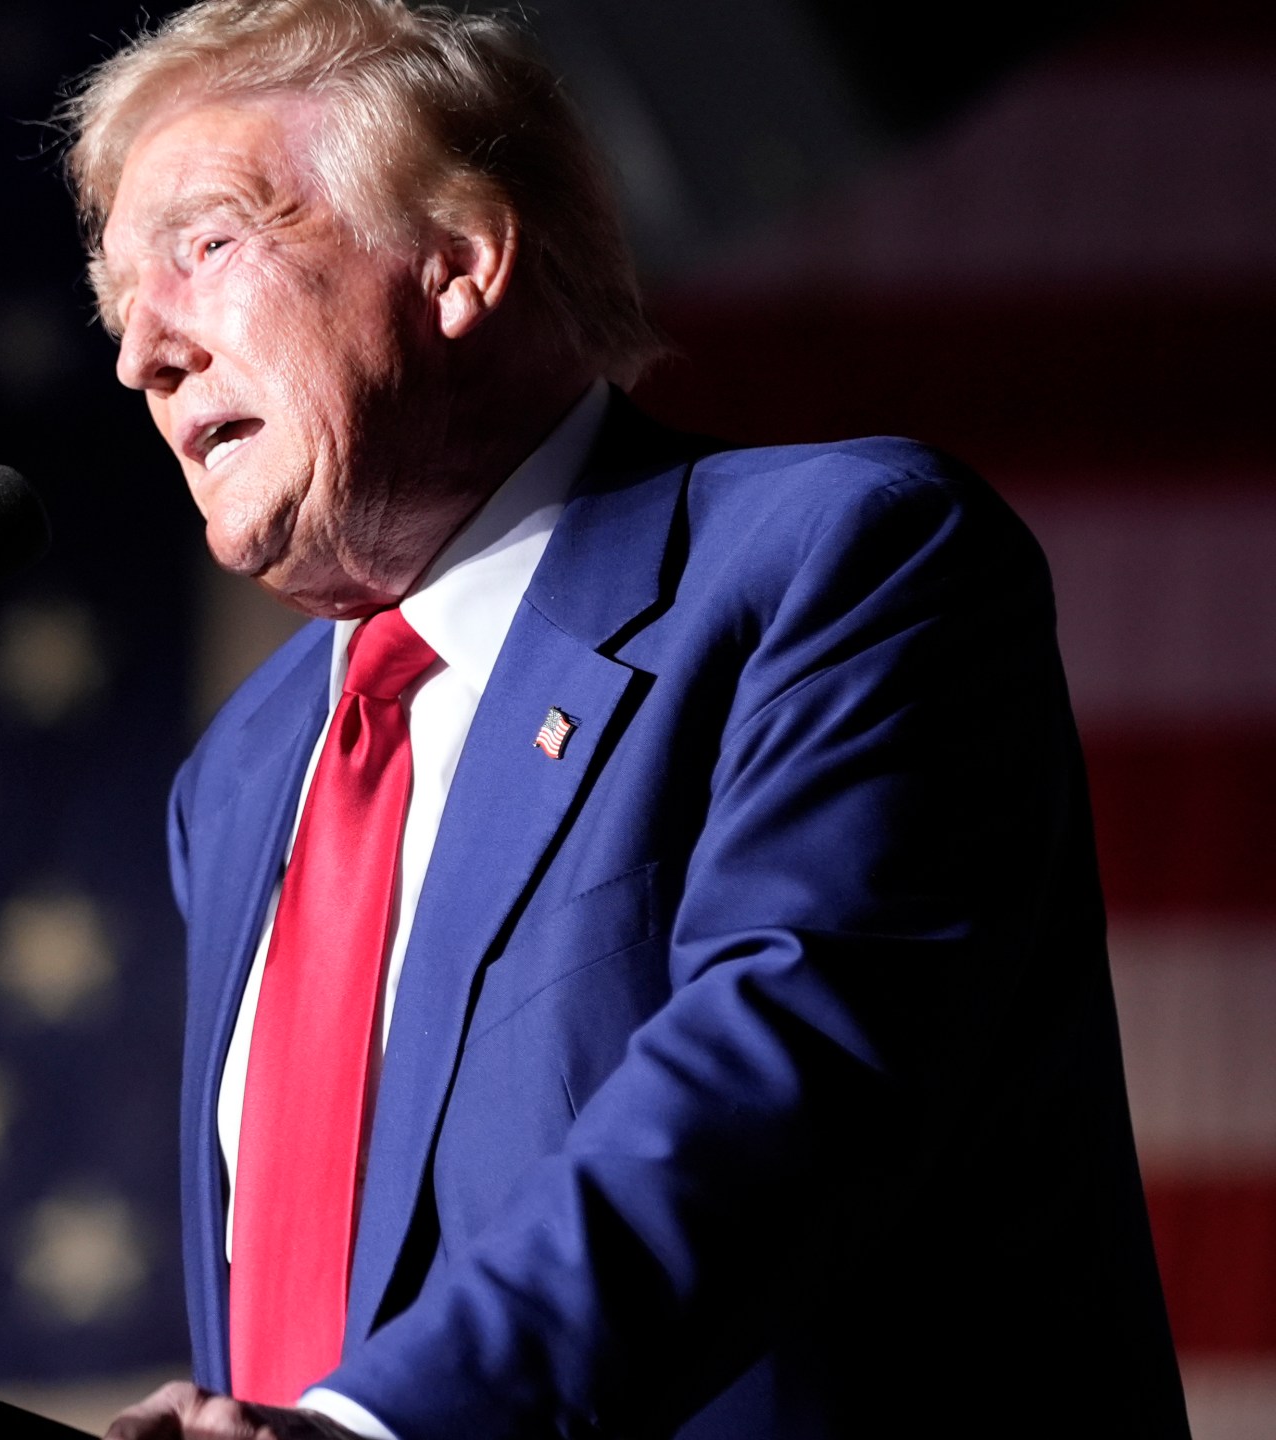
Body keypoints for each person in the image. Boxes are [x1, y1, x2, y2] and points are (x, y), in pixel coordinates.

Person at [65, 3, 1189, 1437]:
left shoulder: (834, 563)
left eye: (206, 247)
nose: (140, 355)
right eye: (117, 304)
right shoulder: (237, 777)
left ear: (461, 264)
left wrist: (368, 1432)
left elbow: (785, 1086)